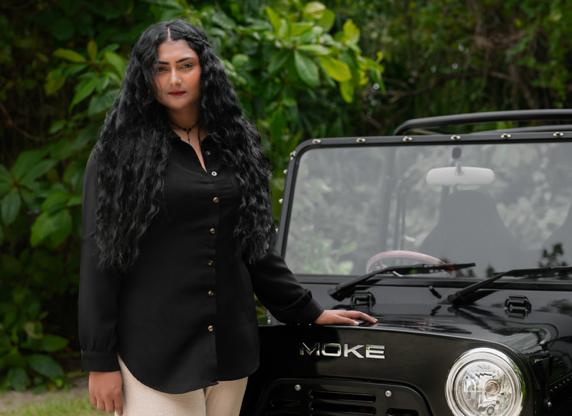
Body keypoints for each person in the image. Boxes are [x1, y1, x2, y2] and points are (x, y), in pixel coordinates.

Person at [78, 19, 377, 416]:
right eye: (161, 69)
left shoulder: (236, 142)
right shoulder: (118, 154)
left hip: (229, 348)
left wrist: (308, 310)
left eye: (185, 65)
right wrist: (99, 360)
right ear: (145, 77)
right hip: (154, 351)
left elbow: (256, 247)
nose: (174, 79)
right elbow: (100, 258)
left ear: (206, 69)